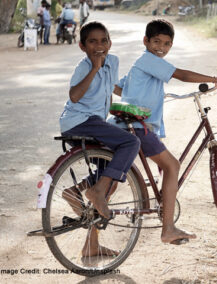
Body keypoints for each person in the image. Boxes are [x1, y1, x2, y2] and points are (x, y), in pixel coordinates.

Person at [107, 19, 217, 245]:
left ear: (171, 45)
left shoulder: (140, 65)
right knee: (172, 166)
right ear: (145, 41)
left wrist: (142, 96)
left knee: (114, 175)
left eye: (167, 44)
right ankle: (168, 228)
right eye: (156, 41)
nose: (161, 47)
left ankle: (82, 194)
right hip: (139, 127)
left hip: (126, 125)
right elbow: (182, 75)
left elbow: (119, 88)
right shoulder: (149, 60)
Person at [60, 21, 140, 256]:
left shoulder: (113, 61)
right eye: (93, 42)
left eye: (103, 40)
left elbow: (110, 88)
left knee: (111, 166)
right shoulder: (83, 67)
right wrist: (94, 68)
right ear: (82, 46)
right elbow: (74, 96)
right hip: (80, 121)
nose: (99, 45)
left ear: (110, 43)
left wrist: (135, 102)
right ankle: (95, 193)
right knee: (131, 142)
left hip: (94, 122)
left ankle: (76, 192)